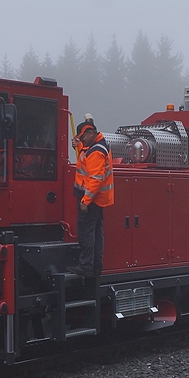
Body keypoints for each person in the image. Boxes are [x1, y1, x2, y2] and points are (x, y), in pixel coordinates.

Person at [72, 115, 114, 279]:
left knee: (86, 231)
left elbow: (95, 179)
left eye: (82, 137)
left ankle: (86, 266)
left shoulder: (96, 151)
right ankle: (95, 266)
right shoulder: (98, 146)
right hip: (98, 199)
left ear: (90, 133)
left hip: (91, 199)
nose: (81, 140)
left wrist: (85, 200)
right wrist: (80, 144)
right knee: (96, 232)